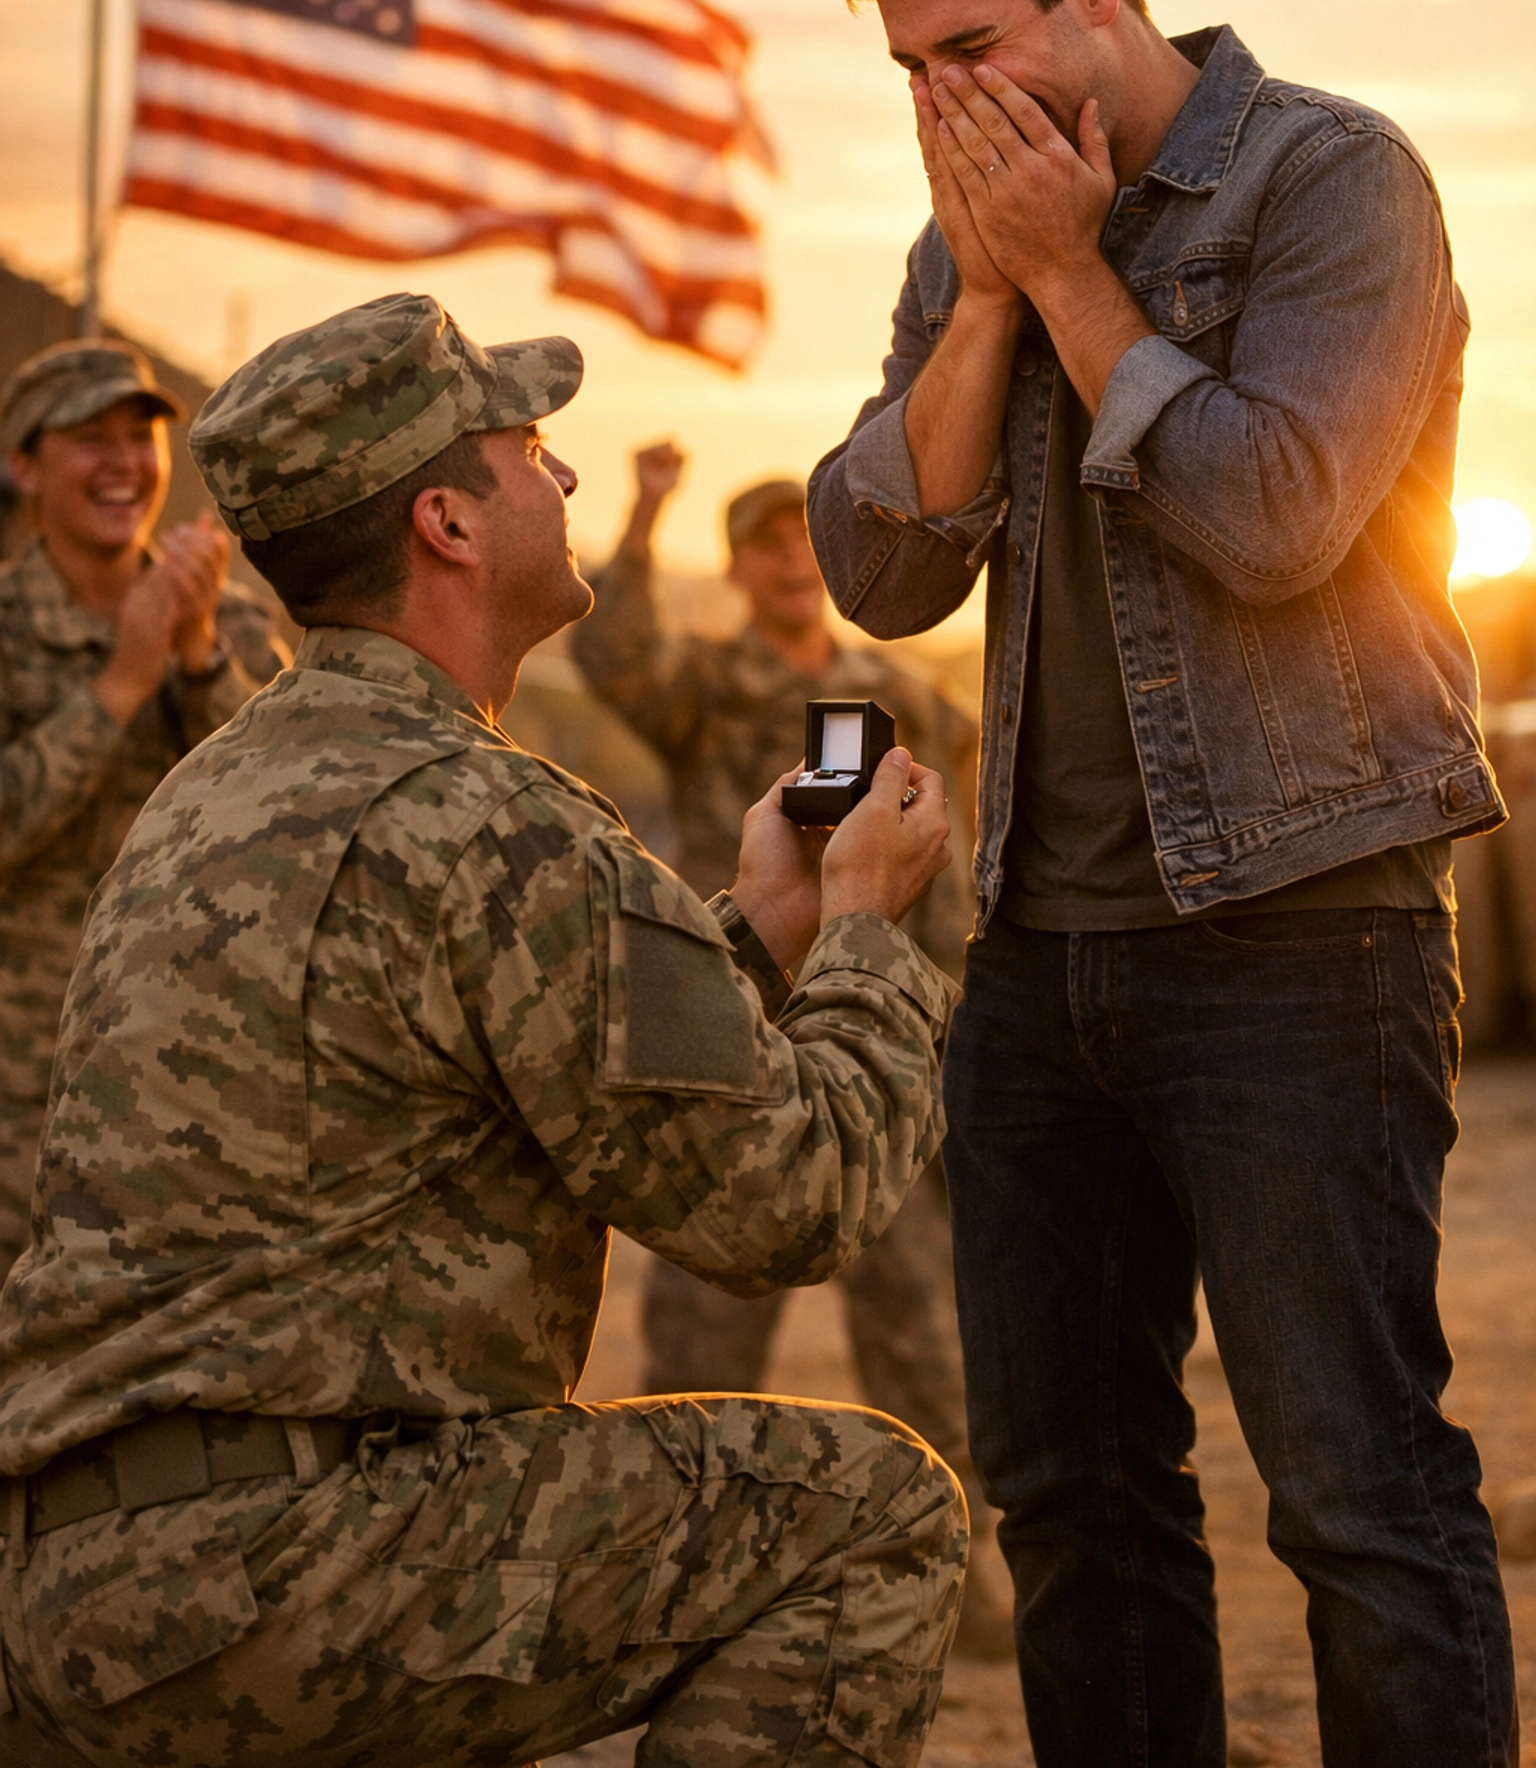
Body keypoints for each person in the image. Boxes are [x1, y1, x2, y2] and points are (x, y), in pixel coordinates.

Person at [0, 292, 967, 1768]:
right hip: (279, 1576)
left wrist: (758, 931)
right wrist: (866, 935)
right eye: (531, 448)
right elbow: (788, 1200)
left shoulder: (212, 786)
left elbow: (529, 1044)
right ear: (450, 524)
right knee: (873, 1514)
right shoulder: (493, 819)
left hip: (74, 1587)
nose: (565, 477)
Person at [807, 0, 1515, 1767]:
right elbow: (880, 566)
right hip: (1034, 957)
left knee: (1358, 1502)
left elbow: (1279, 516)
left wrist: (1070, 278)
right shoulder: (971, 244)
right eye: (909, 75)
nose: (941, 108)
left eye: (970, 52)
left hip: (1301, 931)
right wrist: (988, 296)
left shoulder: (1334, 178)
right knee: (1073, 1498)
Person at [572, 450, 1012, 1660]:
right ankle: (682, 1589)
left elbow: (960, 827)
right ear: (737, 566)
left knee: (922, 1317)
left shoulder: (893, 687)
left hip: (888, 1014)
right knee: (711, 1320)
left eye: (794, 540)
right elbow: (612, 657)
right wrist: (646, 506)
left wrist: (958, 990)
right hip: (743, 1010)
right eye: (758, 541)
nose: (780, 560)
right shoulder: (709, 682)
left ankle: (959, 1581)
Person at [0, 338, 288, 1279]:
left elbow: (292, 818)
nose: (124, 462)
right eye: (90, 438)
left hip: (189, 1078)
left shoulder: (233, 620)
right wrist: (124, 681)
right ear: (23, 466)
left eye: (140, 436)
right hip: (19, 1087)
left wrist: (198, 655)